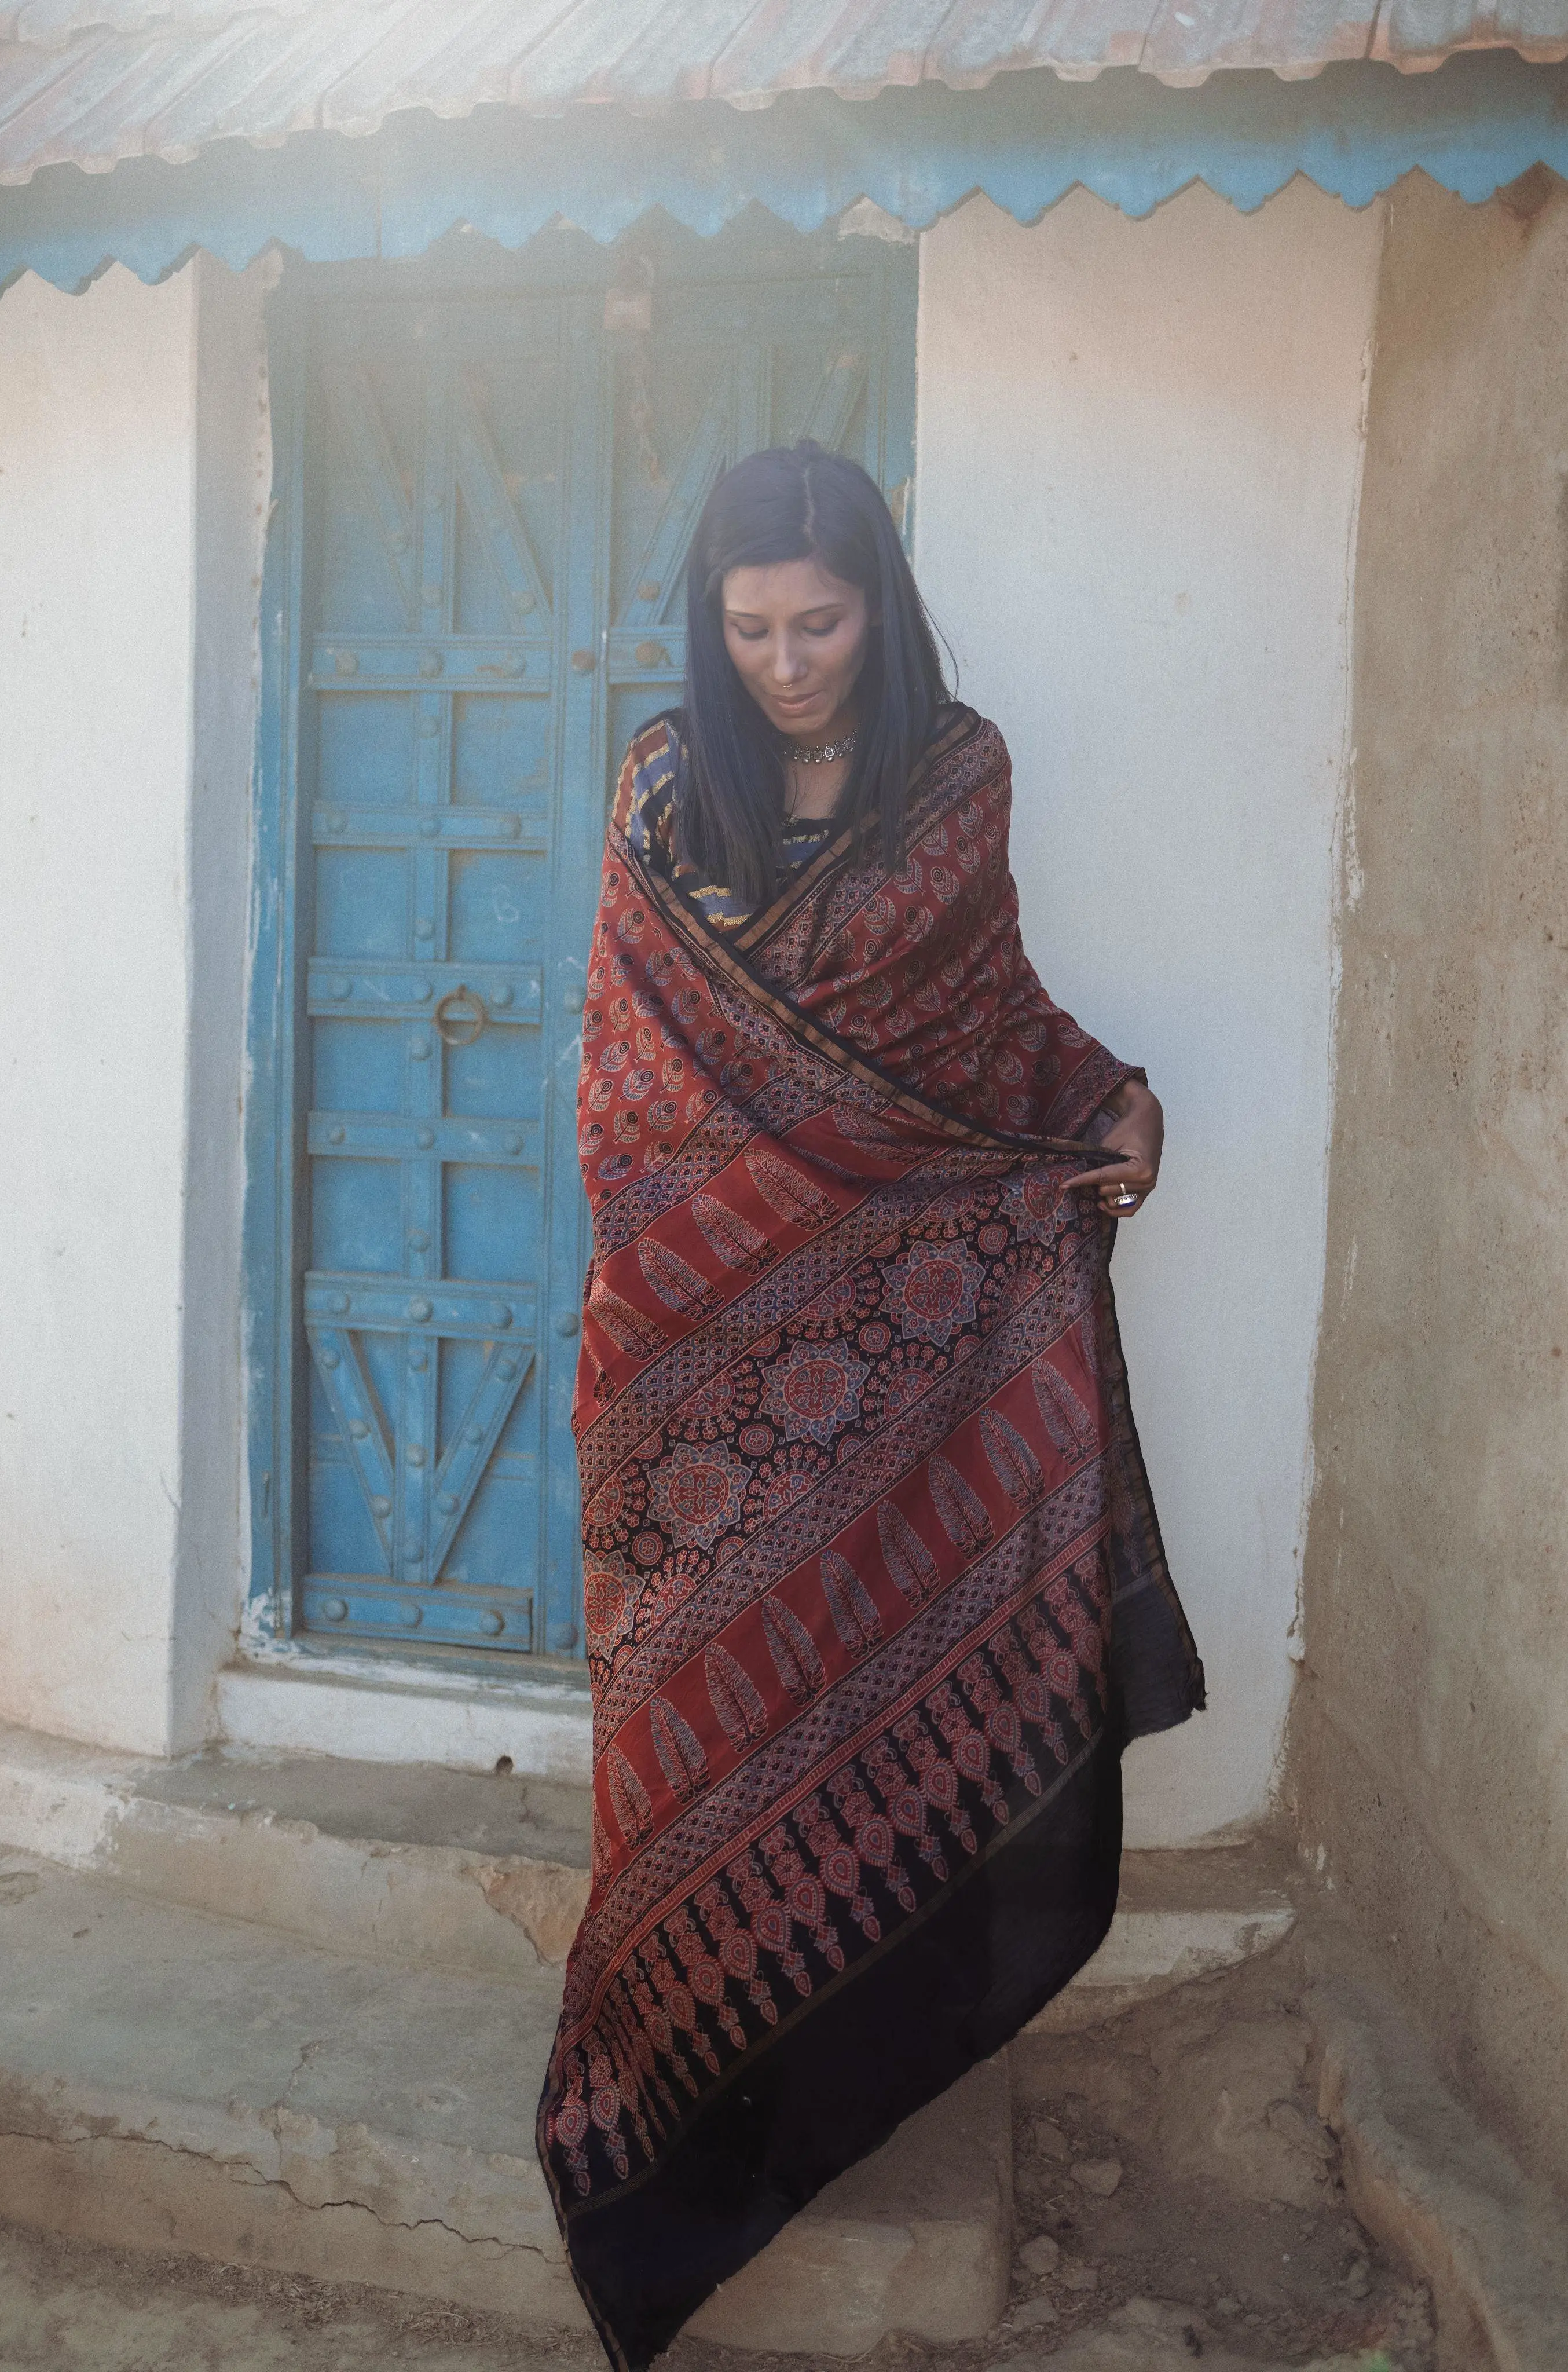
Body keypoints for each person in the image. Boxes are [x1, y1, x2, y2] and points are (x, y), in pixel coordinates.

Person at [538, 442, 1204, 2371]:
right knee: (688, 1723)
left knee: (864, 1654)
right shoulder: (668, 783)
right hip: (694, 1346)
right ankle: (677, 2093)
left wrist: (1105, 1099)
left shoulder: (957, 773)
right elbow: (630, 1077)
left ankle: (843, 2059)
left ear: (877, 607)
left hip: (898, 1334)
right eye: (746, 627)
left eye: (816, 622)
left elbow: (980, 1015)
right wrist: (730, 1236)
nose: (784, 663)